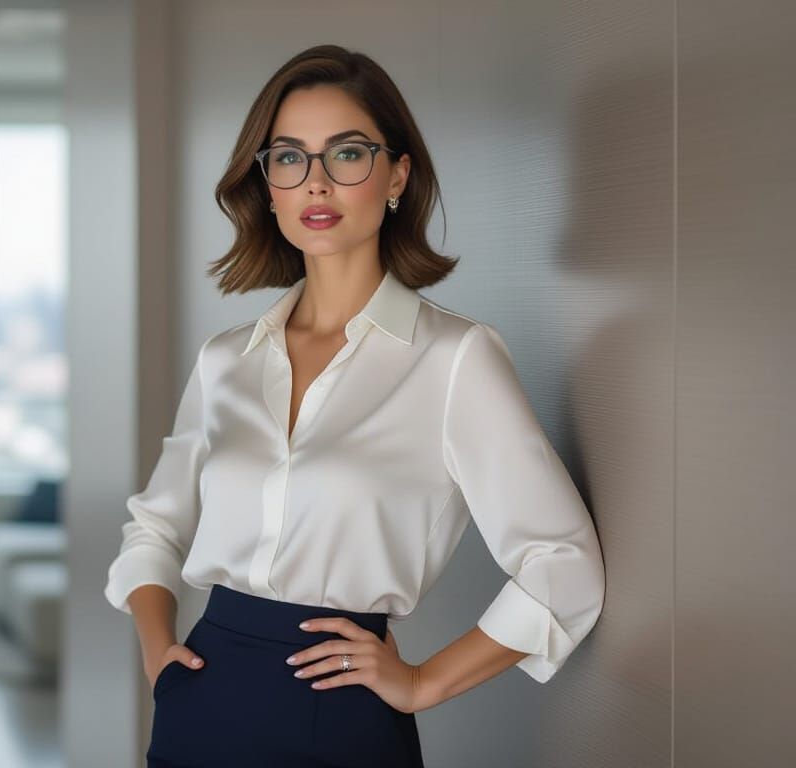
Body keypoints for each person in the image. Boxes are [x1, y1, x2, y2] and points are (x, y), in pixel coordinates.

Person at [103, 44, 607, 767]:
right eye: (289, 158)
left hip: (338, 720)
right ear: (266, 184)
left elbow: (564, 562)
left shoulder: (453, 359)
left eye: (346, 154)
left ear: (397, 174)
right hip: (199, 705)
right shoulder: (226, 361)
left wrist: (425, 681)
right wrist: (159, 658)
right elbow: (153, 525)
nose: (316, 183)